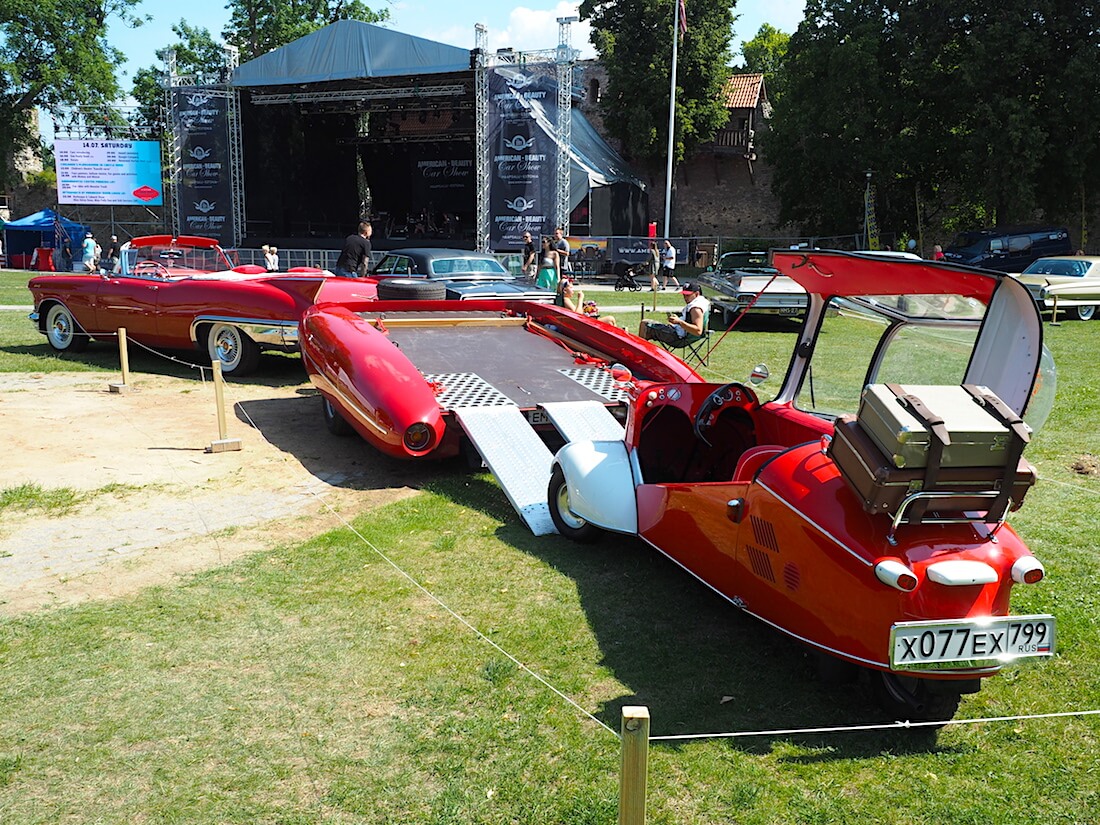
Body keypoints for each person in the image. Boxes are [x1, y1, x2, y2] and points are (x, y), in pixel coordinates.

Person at [639, 281, 710, 345]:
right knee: (648, 326)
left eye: (688, 295)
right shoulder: (701, 302)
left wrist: (679, 322)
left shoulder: (695, 309)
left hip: (677, 337)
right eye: (684, 295)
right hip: (680, 333)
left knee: (644, 324)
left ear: (697, 294)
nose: (685, 298)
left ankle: (639, 353)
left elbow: (698, 331)